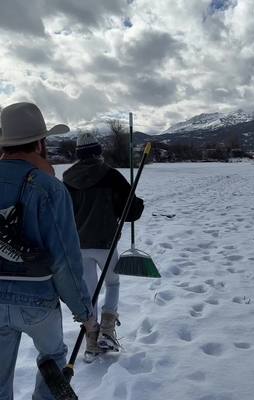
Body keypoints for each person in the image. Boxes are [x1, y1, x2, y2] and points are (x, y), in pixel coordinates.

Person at [0, 102, 96, 400]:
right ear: (40, 143)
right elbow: (64, 260)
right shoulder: (50, 189)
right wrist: (84, 313)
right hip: (38, 300)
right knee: (53, 356)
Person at [63, 132, 144, 360]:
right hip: (105, 244)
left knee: (89, 292)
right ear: (98, 151)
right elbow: (131, 211)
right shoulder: (111, 175)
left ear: (78, 154)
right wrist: (136, 205)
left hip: (78, 245)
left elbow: (62, 213)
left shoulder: (67, 178)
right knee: (113, 282)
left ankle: (91, 340)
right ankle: (107, 332)